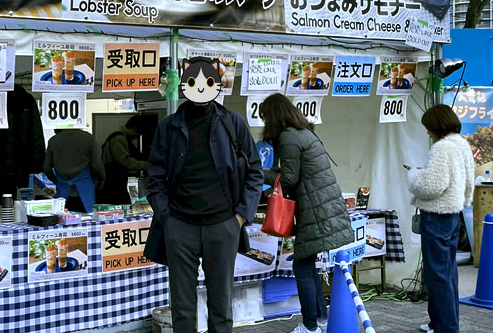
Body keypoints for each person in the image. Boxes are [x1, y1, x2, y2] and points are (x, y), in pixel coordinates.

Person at [146, 58, 263, 333]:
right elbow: (154, 178)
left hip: (223, 224)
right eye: (193, 82)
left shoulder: (232, 122)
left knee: (221, 305)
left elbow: (256, 171)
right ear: (185, 85)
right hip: (180, 226)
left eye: (207, 82)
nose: (200, 88)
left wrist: (240, 216)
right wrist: (167, 218)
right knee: (183, 308)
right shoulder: (170, 126)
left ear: (217, 85)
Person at [260, 93, 353, 333]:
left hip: (315, 210)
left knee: (302, 266)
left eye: (265, 117)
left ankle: (310, 326)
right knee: (307, 264)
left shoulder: (289, 137)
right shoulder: (303, 132)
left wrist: (258, 173)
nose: (264, 123)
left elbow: (290, 178)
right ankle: (320, 319)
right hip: (321, 207)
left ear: (274, 116)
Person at [407, 104, 474, 333]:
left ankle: (446, 327)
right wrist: (462, 202)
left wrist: (413, 175)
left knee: (438, 276)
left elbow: (431, 186)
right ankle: (439, 323)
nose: (427, 132)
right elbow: (468, 183)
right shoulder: (461, 144)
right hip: (453, 215)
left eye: (428, 127)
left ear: (436, 126)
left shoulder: (442, 148)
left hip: (436, 217)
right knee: (447, 274)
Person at [43, 128, 105, 212]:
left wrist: (56, 180)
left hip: (63, 191)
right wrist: (101, 179)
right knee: (89, 219)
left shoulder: (53, 141)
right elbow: (97, 165)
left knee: (63, 219)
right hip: (86, 189)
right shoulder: (88, 138)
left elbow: (46, 168)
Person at [96, 114, 150, 204]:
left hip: (115, 183)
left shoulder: (119, 135)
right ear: (135, 129)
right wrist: (147, 165)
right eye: (138, 134)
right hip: (113, 184)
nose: (136, 137)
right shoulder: (118, 138)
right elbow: (125, 161)